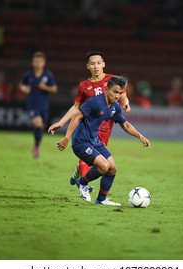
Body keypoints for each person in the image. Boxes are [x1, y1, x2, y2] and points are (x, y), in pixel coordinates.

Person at [56, 76, 150, 206]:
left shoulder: (115, 107)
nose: (117, 95)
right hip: (81, 142)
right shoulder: (95, 102)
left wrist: (140, 136)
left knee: (112, 168)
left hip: (94, 140)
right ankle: (82, 183)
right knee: (104, 166)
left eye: (120, 93)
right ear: (107, 89)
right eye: (114, 91)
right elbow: (77, 117)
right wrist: (67, 138)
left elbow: (125, 125)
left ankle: (101, 199)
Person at [48, 50, 130, 187]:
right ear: (88, 66)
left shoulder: (111, 80)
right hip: (88, 128)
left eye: (98, 63)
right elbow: (76, 107)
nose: (96, 66)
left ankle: (79, 174)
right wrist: (61, 123)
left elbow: (122, 94)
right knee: (88, 159)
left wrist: (125, 102)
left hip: (105, 129)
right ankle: (84, 185)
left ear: (103, 64)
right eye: (92, 64)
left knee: (99, 162)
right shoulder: (84, 86)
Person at [19, 51, 58, 158]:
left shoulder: (48, 75)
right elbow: (21, 85)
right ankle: (36, 148)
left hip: (44, 105)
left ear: (43, 63)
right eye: (36, 61)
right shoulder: (28, 75)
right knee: (38, 122)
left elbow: (54, 89)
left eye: (40, 61)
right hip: (32, 104)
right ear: (32, 62)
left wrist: (44, 87)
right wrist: (24, 89)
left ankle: (36, 145)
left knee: (41, 127)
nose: (38, 63)